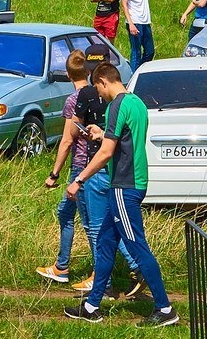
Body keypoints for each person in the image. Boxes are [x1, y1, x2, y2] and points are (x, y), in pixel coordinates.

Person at [64, 62, 178, 327]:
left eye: (98, 88)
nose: (99, 94)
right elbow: (125, 139)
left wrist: (79, 180)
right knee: (105, 243)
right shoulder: (137, 102)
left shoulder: (116, 105)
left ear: (104, 81)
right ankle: (92, 306)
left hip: (125, 185)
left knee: (138, 248)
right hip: (133, 181)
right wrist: (103, 133)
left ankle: (164, 309)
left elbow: (105, 153)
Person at [37, 50, 92, 284]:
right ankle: (62, 266)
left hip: (80, 167)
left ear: (68, 75)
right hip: (94, 165)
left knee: (91, 223)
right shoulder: (97, 95)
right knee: (66, 212)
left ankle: (126, 267)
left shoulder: (74, 100)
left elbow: (68, 139)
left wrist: (54, 173)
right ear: (88, 72)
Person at [120, 0, 160, 71]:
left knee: (150, 51)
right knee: (136, 52)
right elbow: (124, 5)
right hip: (135, 22)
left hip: (145, 22)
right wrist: (131, 24)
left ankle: (140, 71)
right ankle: (133, 76)